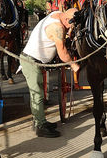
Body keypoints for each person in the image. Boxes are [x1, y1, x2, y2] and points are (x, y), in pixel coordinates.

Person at [19, 8, 80, 138]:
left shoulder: (56, 14)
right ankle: (40, 127)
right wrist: (74, 65)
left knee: (38, 92)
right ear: (66, 20)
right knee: (37, 94)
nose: (71, 29)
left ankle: (40, 121)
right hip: (31, 61)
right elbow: (63, 53)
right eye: (71, 25)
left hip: (33, 59)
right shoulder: (57, 27)